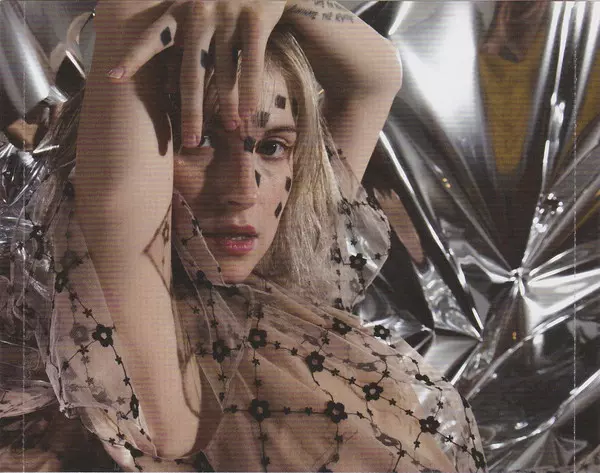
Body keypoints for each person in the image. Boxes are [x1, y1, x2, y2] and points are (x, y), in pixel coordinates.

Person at [2, 1, 487, 471]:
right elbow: (118, 205)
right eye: (198, 141)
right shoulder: (154, 360)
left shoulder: (289, 285)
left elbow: (373, 79)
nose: (243, 192)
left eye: (272, 147)